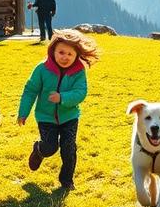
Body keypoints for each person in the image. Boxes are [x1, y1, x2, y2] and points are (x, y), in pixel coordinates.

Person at [17, 28, 99, 191]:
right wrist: (23, 112)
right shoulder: (42, 69)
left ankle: (66, 180)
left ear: (76, 55)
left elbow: (80, 92)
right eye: (61, 52)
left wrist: (62, 98)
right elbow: (30, 90)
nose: (65, 57)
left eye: (70, 54)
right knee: (50, 148)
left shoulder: (78, 71)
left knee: (69, 148)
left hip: (69, 116)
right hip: (45, 117)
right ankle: (39, 150)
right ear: (53, 51)